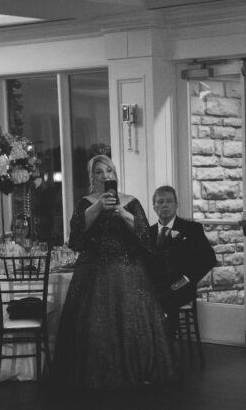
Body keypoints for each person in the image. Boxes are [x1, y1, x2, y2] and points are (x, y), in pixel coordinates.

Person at [53, 154, 177, 390]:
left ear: (115, 174)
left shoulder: (130, 201)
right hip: (93, 271)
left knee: (131, 321)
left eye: (108, 171)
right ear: (93, 177)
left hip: (127, 270)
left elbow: (143, 235)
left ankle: (138, 368)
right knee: (95, 324)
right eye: (99, 172)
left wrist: (121, 211)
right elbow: (76, 237)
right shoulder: (85, 203)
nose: (105, 176)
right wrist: (97, 207)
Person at [148, 185, 216, 319]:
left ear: (176, 205)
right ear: (154, 206)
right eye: (160, 202)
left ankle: (164, 338)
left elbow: (209, 259)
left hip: (180, 287)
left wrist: (186, 279)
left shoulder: (192, 229)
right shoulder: (148, 233)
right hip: (155, 287)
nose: (165, 205)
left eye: (169, 201)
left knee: (164, 303)